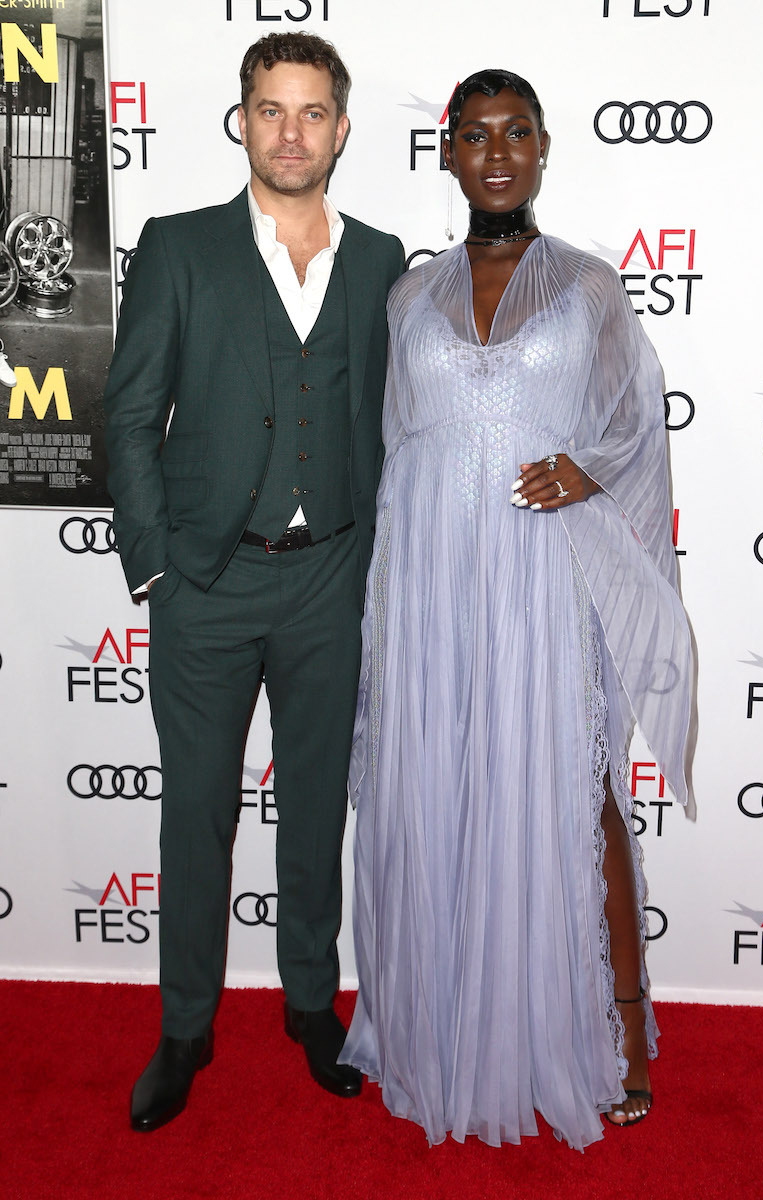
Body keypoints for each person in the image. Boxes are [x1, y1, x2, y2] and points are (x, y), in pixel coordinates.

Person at [340, 69, 692, 1150]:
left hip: (544, 577)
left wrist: (586, 471)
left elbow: (636, 432)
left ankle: (619, 1035)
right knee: (434, 788)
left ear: (542, 150)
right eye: (475, 134)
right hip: (433, 581)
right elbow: (396, 445)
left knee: (575, 793)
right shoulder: (409, 294)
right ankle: (440, 1029)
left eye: (517, 133)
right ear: (445, 152)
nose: (496, 151)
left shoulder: (588, 286)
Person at [103, 31, 404, 1132]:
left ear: (340, 127)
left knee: (316, 807)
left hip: (330, 579)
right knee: (197, 816)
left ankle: (313, 1005)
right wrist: (156, 568)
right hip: (207, 583)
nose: (291, 131)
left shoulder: (380, 258)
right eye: (270, 109)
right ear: (241, 119)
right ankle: (186, 1026)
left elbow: (394, 420)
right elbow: (131, 414)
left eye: (312, 111)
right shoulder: (178, 247)